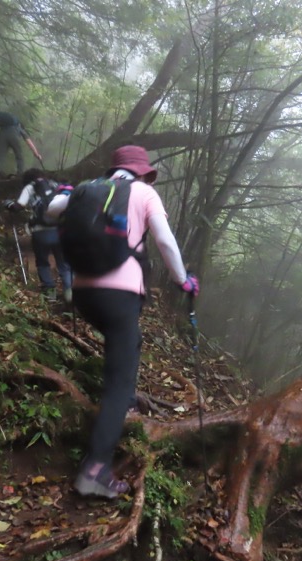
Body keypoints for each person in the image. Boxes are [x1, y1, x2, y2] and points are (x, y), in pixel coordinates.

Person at [45, 145, 200, 499]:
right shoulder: (145, 193)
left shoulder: (88, 188)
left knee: (128, 345)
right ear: (143, 172)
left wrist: (66, 193)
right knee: (117, 379)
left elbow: (52, 210)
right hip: (120, 296)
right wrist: (183, 281)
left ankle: (125, 398)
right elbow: (164, 240)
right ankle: (95, 471)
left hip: (83, 294)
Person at [5, 168, 72, 302]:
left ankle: (50, 292)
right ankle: (69, 292)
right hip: (60, 230)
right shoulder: (55, 184)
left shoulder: (30, 187)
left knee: (42, 262)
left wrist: (8, 204)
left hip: (40, 232)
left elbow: (19, 206)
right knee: (64, 263)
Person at [0, 112, 43, 179]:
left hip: (2, 136)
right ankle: (19, 176)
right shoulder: (19, 128)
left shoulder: (2, 130)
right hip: (13, 137)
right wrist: (36, 154)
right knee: (19, 157)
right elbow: (29, 142)